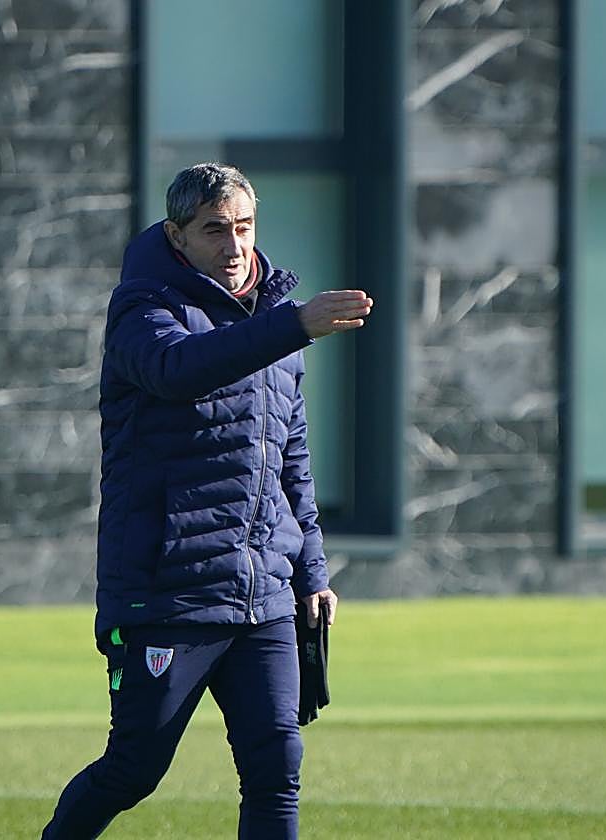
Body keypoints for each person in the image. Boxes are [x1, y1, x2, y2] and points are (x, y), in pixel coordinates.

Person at [41, 163, 373, 839]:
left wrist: (310, 571)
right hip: (169, 593)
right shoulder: (142, 311)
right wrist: (296, 326)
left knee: (277, 764)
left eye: (244, 227)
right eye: (214, 230)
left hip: (263, 598)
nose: (233, 245)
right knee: (134, 769)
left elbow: (293, 462)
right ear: (177, 236)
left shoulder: (280, 327)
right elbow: (181, 370)